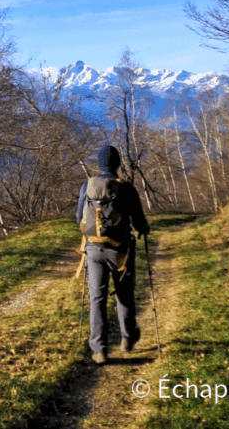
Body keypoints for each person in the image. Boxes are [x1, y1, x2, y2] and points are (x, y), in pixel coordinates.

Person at [76, 144, 151, 365]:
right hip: (121, 250)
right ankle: (127, 338)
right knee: (124, 294)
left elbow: (78, 218)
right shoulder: (126, 188)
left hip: (93, 249)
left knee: (97, 297)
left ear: (99, 164)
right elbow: (138, 221)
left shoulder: (87, 186)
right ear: (118, 164)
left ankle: (99, 349)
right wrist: (144, 229)